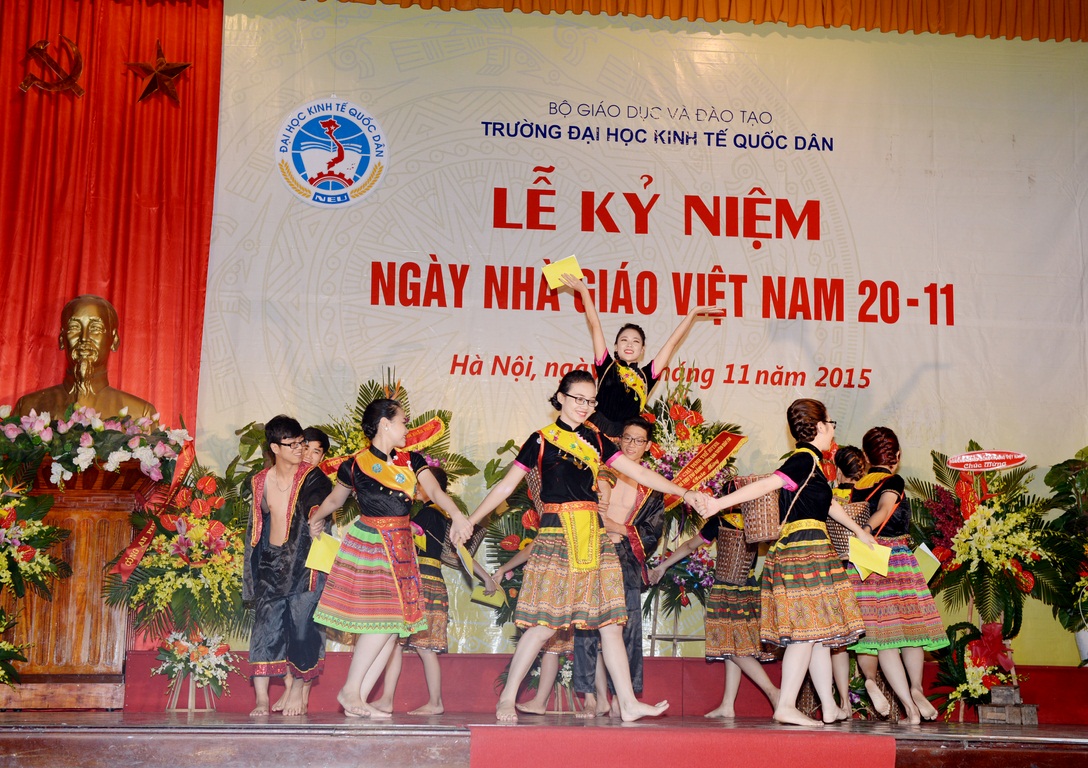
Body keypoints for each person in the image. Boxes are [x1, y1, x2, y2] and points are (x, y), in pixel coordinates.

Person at [454, 369, 710, 722]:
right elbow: (505, 487)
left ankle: (628, 704)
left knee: (611, 626)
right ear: (560, 397)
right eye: (578, 399)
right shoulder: (541, 440)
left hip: (594, 537)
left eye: (591, 401)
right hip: (558, 536)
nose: (585, 406)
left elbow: (639, 473)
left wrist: (684, 492)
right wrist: (471, 520)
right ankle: (507, 698)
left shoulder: (597, 440)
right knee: (543, 626)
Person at [702, 398, 874, 726]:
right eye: (831, 423)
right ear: (819, 426)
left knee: (818, 635)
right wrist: (717, 504)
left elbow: (827, 506)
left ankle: (829, 706)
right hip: (801, 551)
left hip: (811, 547)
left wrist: (859, 533)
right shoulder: (803, 459)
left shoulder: (813, 464)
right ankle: (785, 705)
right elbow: (769, 484)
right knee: (806, 633)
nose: (833, 428)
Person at [307, 398, 472, 718]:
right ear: (385, 424)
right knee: (385, 618)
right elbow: (335, 500)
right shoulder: (355, 464)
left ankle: (358, 699)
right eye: (403, 422)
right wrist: (316, 519)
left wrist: (457, 515)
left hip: (401, 546)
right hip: (371, 543)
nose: (407, 428)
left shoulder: (412, 460)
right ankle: (350, 690)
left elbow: (435, 492)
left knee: (394, 626)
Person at [371, 467, 497, 715]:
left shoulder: (429, 513)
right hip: (428, 581)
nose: (415, 488)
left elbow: (403, 536)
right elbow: (463, 555)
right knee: (403, 645)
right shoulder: (443, 517)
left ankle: (432, 702)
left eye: (419, 484)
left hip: (420, 583)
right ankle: (390, 699)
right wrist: (486, 578)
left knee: (416, 646)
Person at [848, 426, 949, 724]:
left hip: (867, 562)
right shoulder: (894, 480)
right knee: (911, 632)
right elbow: (885, 508)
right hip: (897, 560)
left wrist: (862, 535)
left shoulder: (858, 486)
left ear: (866, 457)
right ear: (898, 455)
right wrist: (866, 529)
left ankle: (905, 703)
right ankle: (916, 689)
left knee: (881, 638)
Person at [572, 416, 665, 717]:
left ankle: (621, 698)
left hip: (624, 556)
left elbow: (652, 531)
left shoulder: (650, 486)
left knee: (624, 630)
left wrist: (618, 527)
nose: (631, 444)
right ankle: (593, 697)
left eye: (639, 440)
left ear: (648, 446)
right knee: (587, 626)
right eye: (627, 437)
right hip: (591, 552)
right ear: (619, 439)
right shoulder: (598, 470)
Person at [648, 513, 780, 719]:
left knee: (731, 646)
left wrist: (663, 565)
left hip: (726, 589)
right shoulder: (756, 520)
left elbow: (689, 546)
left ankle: (773, 692)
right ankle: (727, 704)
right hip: (749, 588)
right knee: (733, 645)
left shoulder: (719, 521)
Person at [244, 415, 333, 717]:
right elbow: (259, 522)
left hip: (304, 562)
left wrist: (317, 518)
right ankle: (261, 699)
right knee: (264, 628)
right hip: (271, 563)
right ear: (275, 448)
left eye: (301, 443)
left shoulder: (312, 476)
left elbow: (317, 501)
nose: (299, 449)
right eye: (292, 444)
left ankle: (297, 689)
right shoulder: (259, 481)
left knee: (303, 627)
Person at [561, 274, 717, 437]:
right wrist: (583, 291)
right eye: (624, 340)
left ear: (642, 350)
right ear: (616, 346)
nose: (629, 344)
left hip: (627, 440)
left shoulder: (646, 377)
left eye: (636, 341)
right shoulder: (606, 365)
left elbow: (672, 343)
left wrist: (692, 314)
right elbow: (595, 325)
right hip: (595, 434)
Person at [14, 294, 156, 419]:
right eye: (74, 328)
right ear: (62, 339)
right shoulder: (28, 408)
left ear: (114, 341)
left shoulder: (140, 414)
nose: (84, 338)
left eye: (95, 329)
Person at [830, 444, 875, 720]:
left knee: (839, 643)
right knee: (868, 636)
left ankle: (845, 702)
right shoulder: (867, 496)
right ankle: (869, 680)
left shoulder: (829, 495)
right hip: (864, 571)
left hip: (837, 572)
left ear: (838, 470)